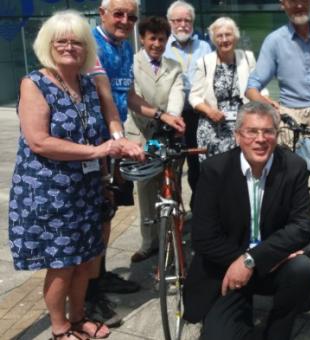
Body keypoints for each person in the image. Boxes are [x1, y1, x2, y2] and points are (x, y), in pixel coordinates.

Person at [9, 10, 128, 340]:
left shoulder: (87, 85)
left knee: (86, 260)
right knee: (62, 263)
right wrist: (96, 152)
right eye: (61, 41)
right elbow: (39, 141)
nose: (69, 47)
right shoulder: (35, 83)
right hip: (50, 190)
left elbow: (102, 128)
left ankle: (78, 317)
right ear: (48, 44)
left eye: (77, 41)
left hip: (86, 187)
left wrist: (106, 167)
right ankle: (60, 328)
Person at [87, 0, 184, 325]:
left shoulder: (123, 50)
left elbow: (126, 97)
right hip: (91, 145)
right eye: (119, 14)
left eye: (131, 16)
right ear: (102, 14)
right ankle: (88, 297)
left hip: (113, 143)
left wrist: (161, 115)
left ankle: (99, 278)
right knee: (88, 219)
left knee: (106, 212)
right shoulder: (89, 45)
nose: (125, 20)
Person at [183, 101, 310, 339]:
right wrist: (243, 261)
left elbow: (302, 227)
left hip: (269, 263)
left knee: (302, 269)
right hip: (226, 266)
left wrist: (253, 259)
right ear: (237, 136)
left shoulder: (294, 167)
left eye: (268, 131)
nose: (260, 139)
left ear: (276, 135)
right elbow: (203, 237)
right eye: (252, 131)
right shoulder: (215, 170)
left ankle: (277, 330)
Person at [245, 0, 310, 225]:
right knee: (287, 187)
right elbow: (251, 88)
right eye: (292, 1)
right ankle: (291, 244)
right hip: (290, 117)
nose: (299, 5)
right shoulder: (275, 41)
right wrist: (269, 105)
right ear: (283, 4)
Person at [126, 16, 184, 263]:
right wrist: (162, 118)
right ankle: (148, 242)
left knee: (172, 187)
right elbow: (135, 98)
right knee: (146, 189)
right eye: (152, 38)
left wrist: (171, 118)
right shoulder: (131, 64)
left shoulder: (174, 66)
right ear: (142, 39)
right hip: (142, 135)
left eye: (162, 39)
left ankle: (172, 236)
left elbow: (177, 95)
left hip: (167, 135)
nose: (157, 44)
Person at [164, 0, 213, 202]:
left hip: (197, 115)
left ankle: (198, 207)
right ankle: (175, 213)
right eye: (178, 20)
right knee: (172, 167)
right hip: (171, 116)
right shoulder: (161, 47)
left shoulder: (204, 46)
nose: (183, 24)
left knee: (197, 166)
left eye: (187, 20)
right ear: (170, 22)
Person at [189, 17, 258, 161]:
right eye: (219, 36)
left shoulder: (247, 58)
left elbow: (257, 88)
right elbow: (194, 97)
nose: (224, 39)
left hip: (243, 126)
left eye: (228, 34)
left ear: (236, 37)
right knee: (214, 173)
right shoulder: (204, 62)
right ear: (214, 40)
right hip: (212, 127)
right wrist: (209, 111)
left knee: (243, 170)